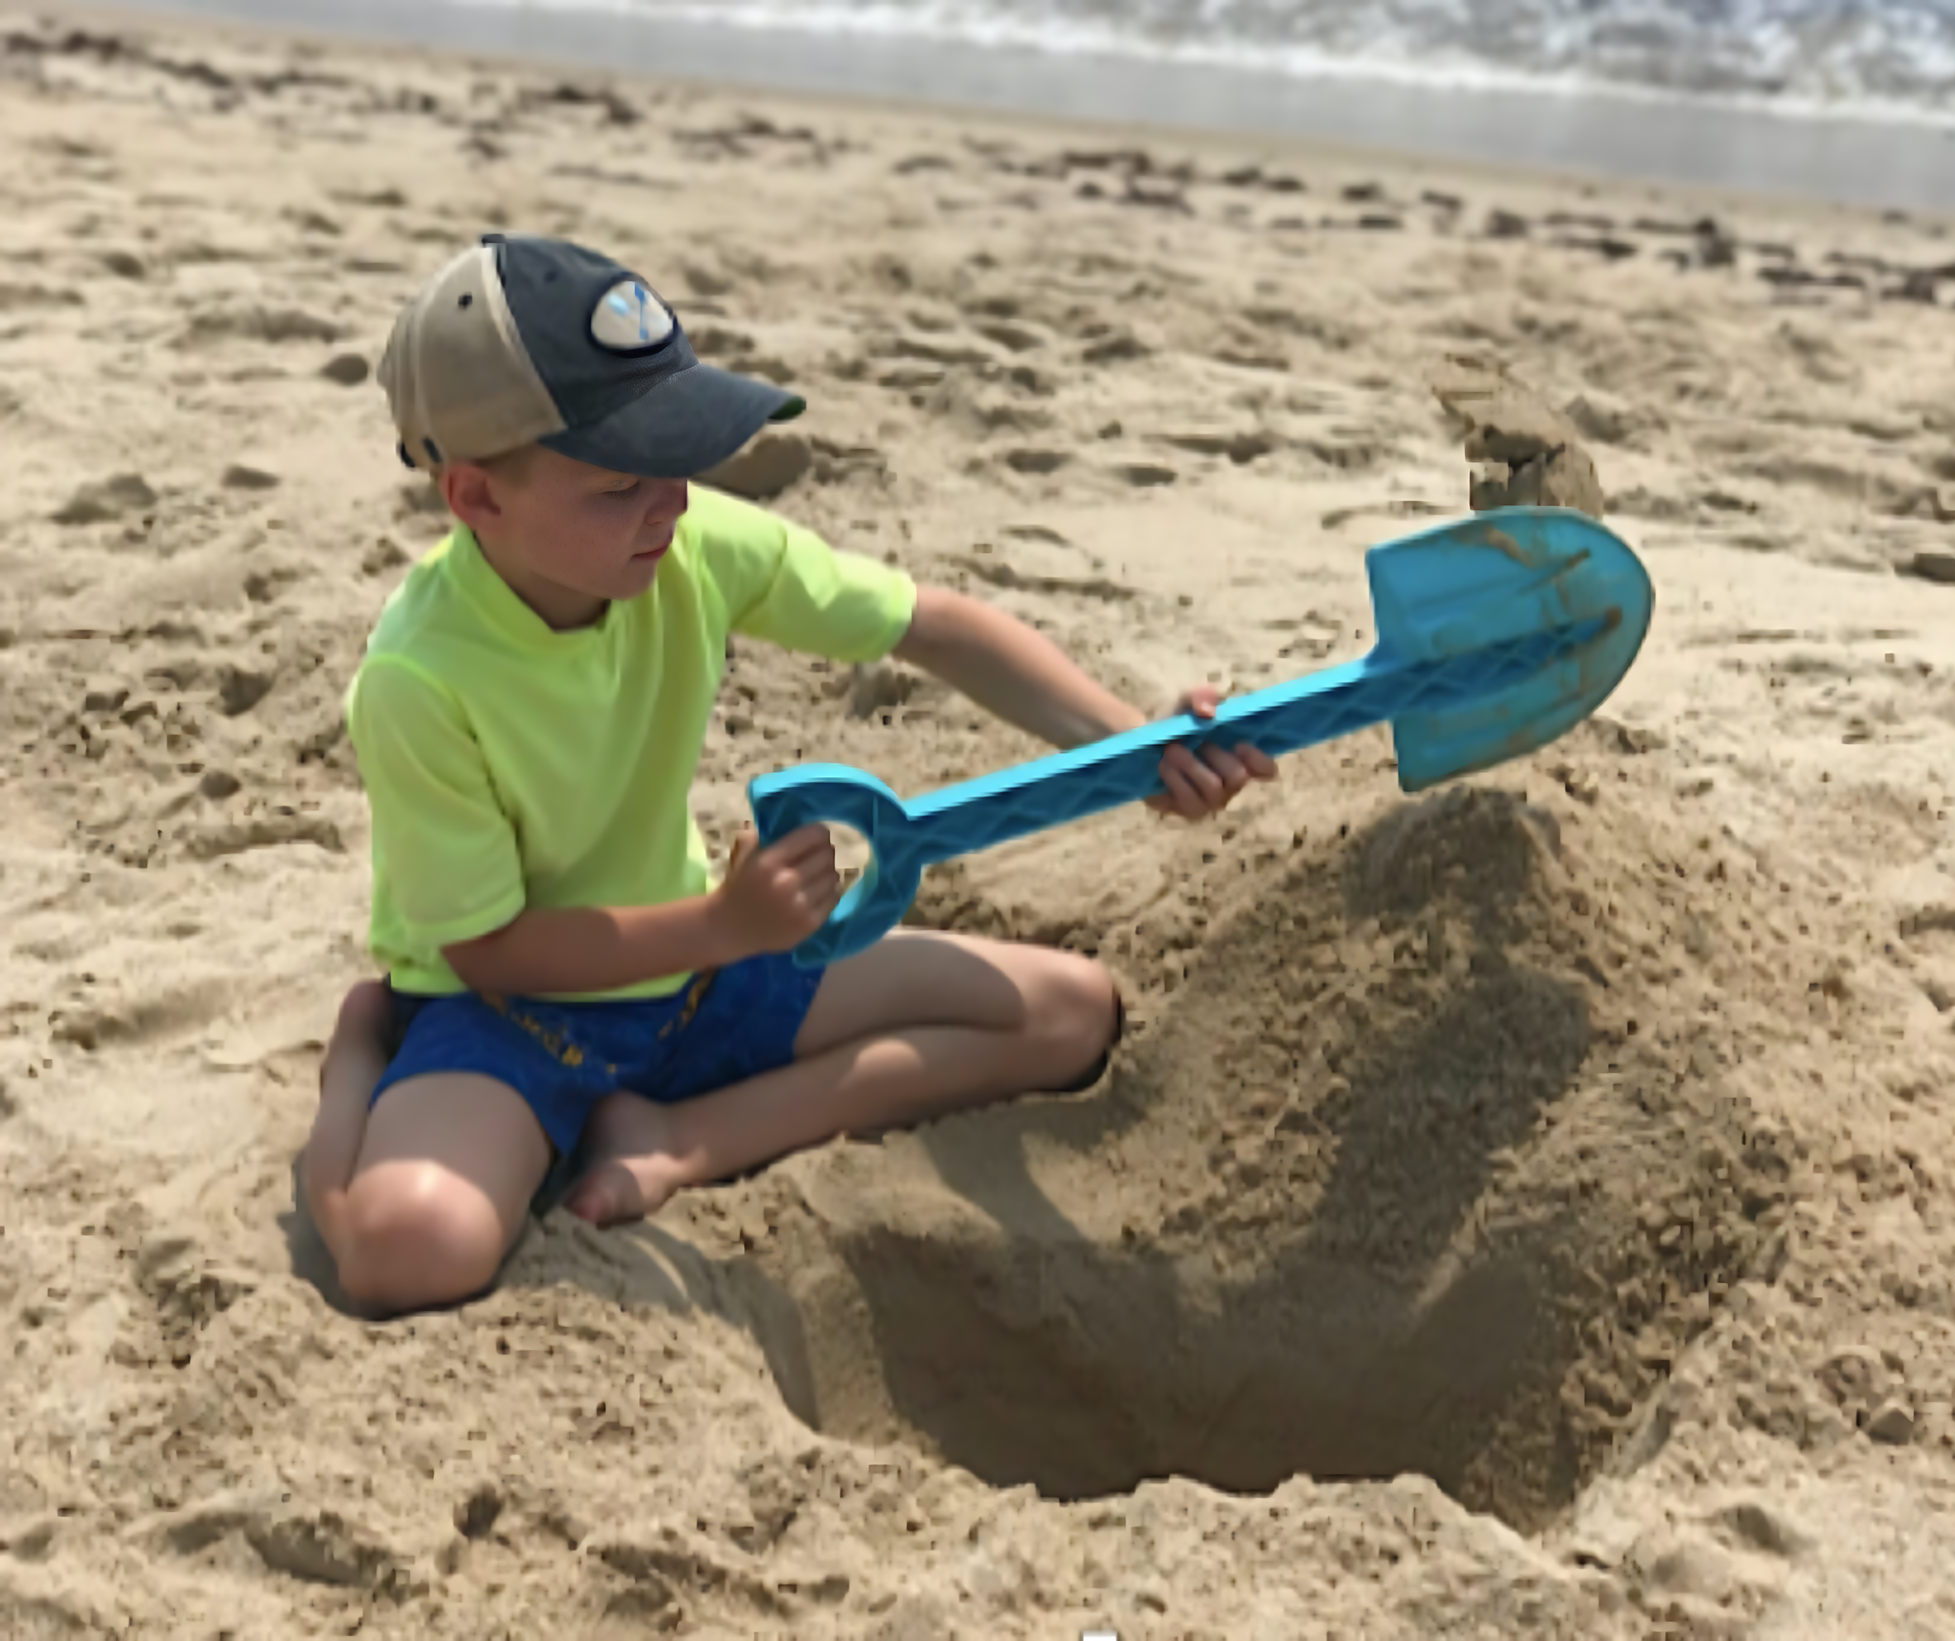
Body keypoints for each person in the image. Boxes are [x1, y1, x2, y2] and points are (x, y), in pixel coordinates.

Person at [302, 233, 1277, 1315]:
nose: (667, 506)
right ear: (476, 498)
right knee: (410, 1252)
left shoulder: (687, 547)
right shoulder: (417, 676)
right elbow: (491, 950)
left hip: (701, 972)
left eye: (678, 460)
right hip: (514, 1010)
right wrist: (723, 925)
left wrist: (1132, 742)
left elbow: (936, 628)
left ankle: (678, 1138)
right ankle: (359, 1058)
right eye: (620, 483)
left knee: (1066, 1013)